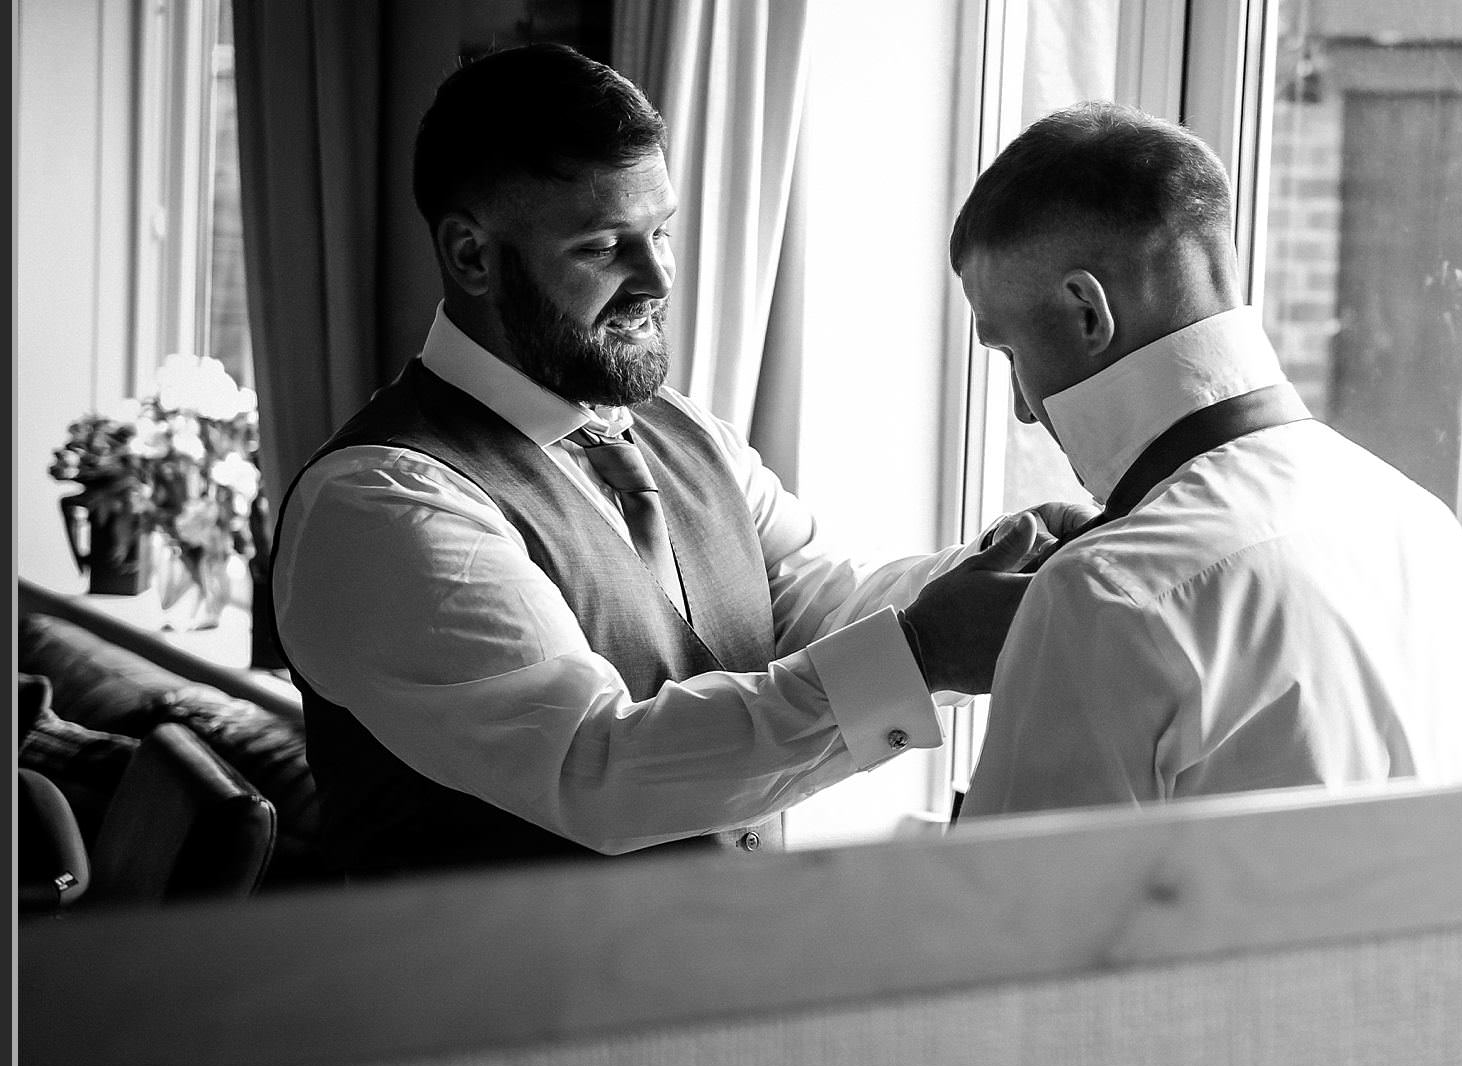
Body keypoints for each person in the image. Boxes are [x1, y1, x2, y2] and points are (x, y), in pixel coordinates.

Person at [273, 43, 1069, 876]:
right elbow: (599, 768)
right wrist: (924, 654)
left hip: (713, 975)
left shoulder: (683, 432)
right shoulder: (379, 503)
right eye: (602, 247)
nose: (657, 277)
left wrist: (1010, 572)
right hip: (487, 1001)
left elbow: (810, 599)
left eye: (660, 231)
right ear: (472, 256)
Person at [950, 101, 1462, 818]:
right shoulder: (1426, 528)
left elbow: (1009, 920)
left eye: (1009, 352)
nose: (1025, 409)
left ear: (1087, 312)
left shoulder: (1102, 596)